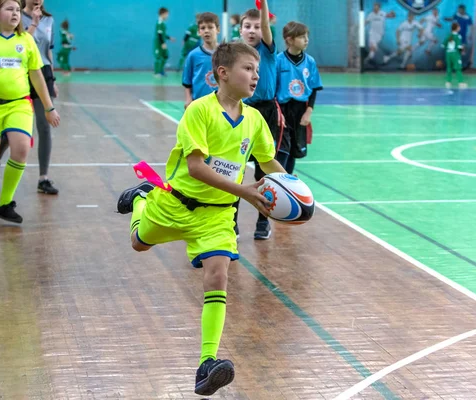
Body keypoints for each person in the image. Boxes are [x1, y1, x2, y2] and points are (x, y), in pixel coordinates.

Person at [116, 42, 287, 396]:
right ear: (222, 74)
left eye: (257, 70)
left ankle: (206, 363)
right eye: (247, 69)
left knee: (218, 273)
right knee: (138, 244)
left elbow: (268, 163)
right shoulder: (199, 111)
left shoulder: (253, 119)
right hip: (176, 202)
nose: (255, 75)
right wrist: (246, 192)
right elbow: (195, 168)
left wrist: (293, 192)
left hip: (218, 215)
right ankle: (141, 199)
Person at [0, 0, 60, 223]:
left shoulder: (26, 40)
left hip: (19, 104)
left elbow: (37, 76)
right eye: (9, 9)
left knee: (21, 150)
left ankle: (4, 204)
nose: (15, 14)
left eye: (17, 11)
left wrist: (49, 107)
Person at [0, 0, 60, 195]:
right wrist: (33, 25)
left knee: (44, 126)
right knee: (13, 129)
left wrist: (52, 79)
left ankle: (43, 178)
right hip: (20, 72)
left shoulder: (49, 20)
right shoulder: (16, 15)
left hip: (43, 71)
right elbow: (17, 46)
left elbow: (49, 50)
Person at [234, 0, 280, 240]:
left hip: (266, 112)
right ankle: (230, 221)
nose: (253, 30)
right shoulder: (235, 53)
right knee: (234, 168)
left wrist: (263, 6)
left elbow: (265, 23)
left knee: (263, 171)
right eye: (247, 26)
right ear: (240, 30)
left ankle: (263, 220)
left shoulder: (267, 50)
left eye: (257, 26)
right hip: (241, 110)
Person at [276, 21, 322, 175]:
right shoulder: (278, 60)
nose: (306, 39)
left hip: (300, 110)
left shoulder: (310, 62)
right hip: (282, 109)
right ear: (289, 40)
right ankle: (279, 179)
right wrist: (277, 111)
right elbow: (273, 89)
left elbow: (314, 88)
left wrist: (309, 111)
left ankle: (287, 179)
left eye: (307, 36)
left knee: (295, 148)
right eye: (302, 37)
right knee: (282, 148)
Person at [182, 12, 220, 109]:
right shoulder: (193, 55)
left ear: (218, 30)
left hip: (220, 104)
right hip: (199, 103)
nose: (206, 31)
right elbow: (187, 80)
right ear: (199, 32)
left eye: (210, 27)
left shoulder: (226, 53)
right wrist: (188, 98)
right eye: (203, 28)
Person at [443, 22, 467, 89]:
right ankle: (461, 82)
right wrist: (462, 50)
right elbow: (459, 46)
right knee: (458, 68)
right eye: (459, 27)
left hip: (448, 54)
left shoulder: (448, 36)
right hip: (455, 54)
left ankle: (448, 82)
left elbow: (443, 45)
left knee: (449, 68)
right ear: (456, 28)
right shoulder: (458, 36)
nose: (460, 28)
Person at [154, 7, 175, 78]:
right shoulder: (159, 23)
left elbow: (163, 34)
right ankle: (156, 73)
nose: (167, 16)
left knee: (165, 56)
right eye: (167, 14)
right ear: (162, 14)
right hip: (158, 44)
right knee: (158, 57)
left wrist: (169, 38)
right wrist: (162, 43)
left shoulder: (162, 23)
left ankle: (161, 71)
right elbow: (159, 35)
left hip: (162, 42)